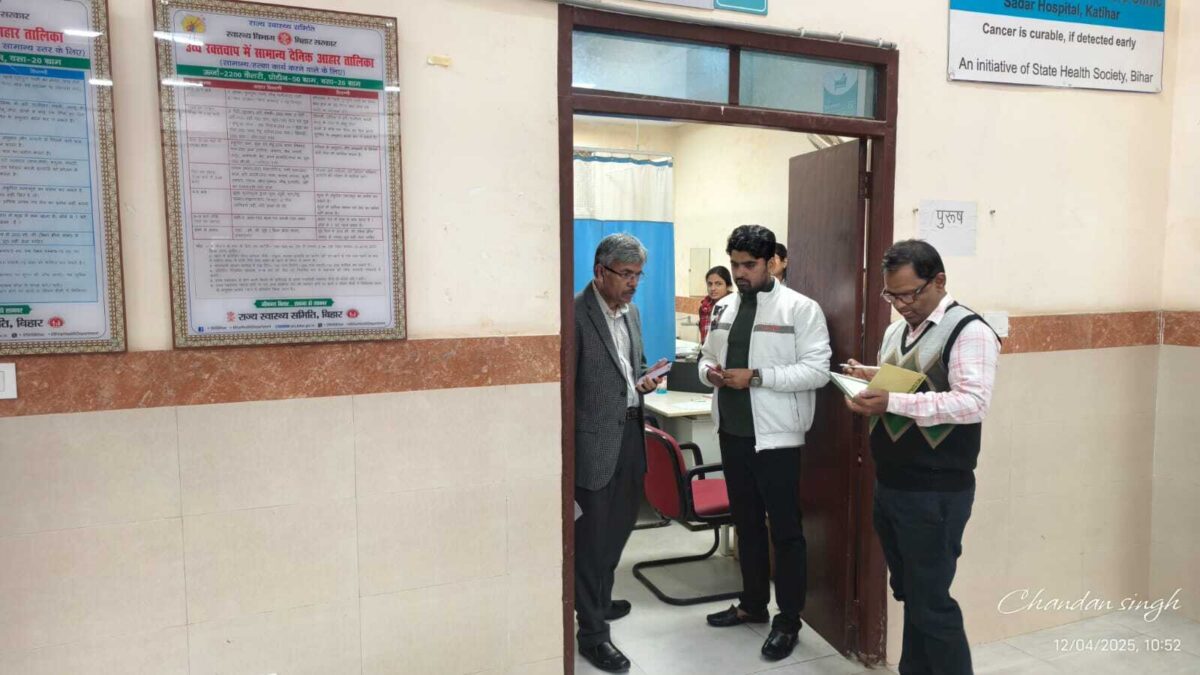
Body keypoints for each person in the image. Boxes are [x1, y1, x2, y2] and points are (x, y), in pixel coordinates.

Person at [844, 239, 1000, 675]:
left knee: (931, 603)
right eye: (891, 295)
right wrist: (868, 378)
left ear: (939, 281)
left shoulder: (969, 330)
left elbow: (972, 403)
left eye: (909, 294)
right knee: (911, 593)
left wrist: (890, 401)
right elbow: (913, 379)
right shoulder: (896, 331)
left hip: (936, 491)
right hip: (892, 483)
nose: (900, 305)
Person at [697, 225, 831, 661]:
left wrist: (757, 377)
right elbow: (706, 357)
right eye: (735, 264)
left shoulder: (801, 309)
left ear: (772, 262)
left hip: (777, 438)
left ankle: (788, 620)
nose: (740, 273)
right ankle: (752, 604)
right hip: (732, 432)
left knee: (786, 531)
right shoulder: (724, 307)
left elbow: (817, 371)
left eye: (749, 265)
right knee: (747, 523)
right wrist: (710, 374)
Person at [573, 233, 664, 673]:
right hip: (593, 444)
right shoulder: (575, 315)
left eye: (638, 275)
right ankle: (592, 633)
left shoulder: (633, 314)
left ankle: (600, 600)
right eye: (625, 274)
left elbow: (634, 369)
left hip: (631, 432)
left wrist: (646, 380)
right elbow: (566, 391)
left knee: (621, 526)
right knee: (591, 540)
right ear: (600, 271)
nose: (633, 283)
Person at [698, 265, 732, 344]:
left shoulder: (735, 306)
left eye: (718, 284)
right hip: (707, 350)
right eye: (710, 284)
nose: (713, 288)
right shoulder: (704, 308)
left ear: (728, 286)